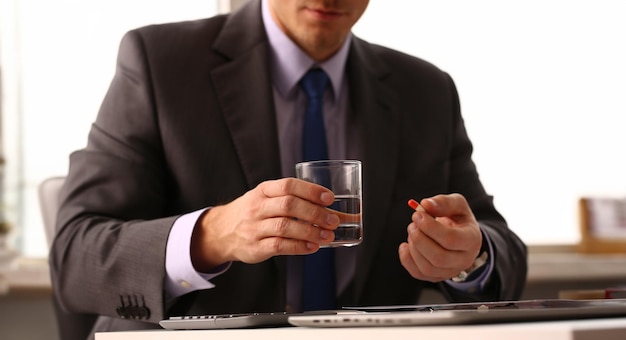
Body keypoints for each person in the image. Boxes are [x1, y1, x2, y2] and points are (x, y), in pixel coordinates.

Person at [49, 0, 527, 339]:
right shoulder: (159, 62)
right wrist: (213, 235)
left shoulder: (425, 89)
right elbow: (75, 257)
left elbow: (501, 252)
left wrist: (470, 256)